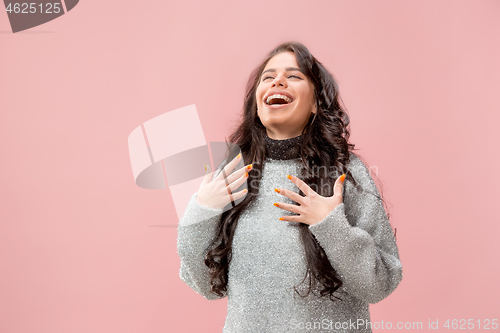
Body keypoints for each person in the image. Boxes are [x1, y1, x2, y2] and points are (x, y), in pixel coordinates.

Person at [177, 41, 403, 332]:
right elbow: (206, 287)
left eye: (294, 76)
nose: (278, 81)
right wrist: (201, 211)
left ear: (314, 103)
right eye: (268, 77)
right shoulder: (232, 174)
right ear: (257, 104)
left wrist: (330, 224)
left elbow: (379, 285)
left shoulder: (345, 173)